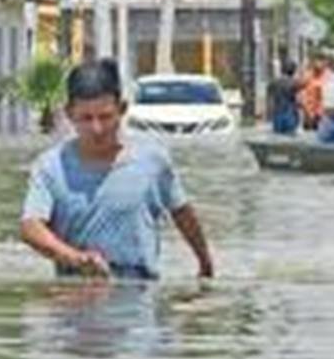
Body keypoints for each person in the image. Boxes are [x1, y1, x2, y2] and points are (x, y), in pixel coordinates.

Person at [19, 59, 214, 280]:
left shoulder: (152, 160)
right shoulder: (51, 167)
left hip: (140, 291)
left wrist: (205, 263)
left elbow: (181, 212)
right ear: (69, 113)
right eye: (86, 118)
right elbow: (31, 227)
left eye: (105, 117)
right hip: (76, 294)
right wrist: (75, 258)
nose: (97, 128)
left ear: (122, 110)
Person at [298, 50, 333, 131]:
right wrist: (305, 107)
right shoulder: (307, 75)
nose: (319, 63)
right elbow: (299, 92)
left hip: (323, 117)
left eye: (322, 60)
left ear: (326, 62)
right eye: (317, 60)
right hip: (308, 115)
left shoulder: (330, 76)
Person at [267, 59, 302, 134]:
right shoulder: (295, 83)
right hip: (290, 114)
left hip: (277, 113)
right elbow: (299, 100)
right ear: (293, 71)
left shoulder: (274, 82)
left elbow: (269, 97)